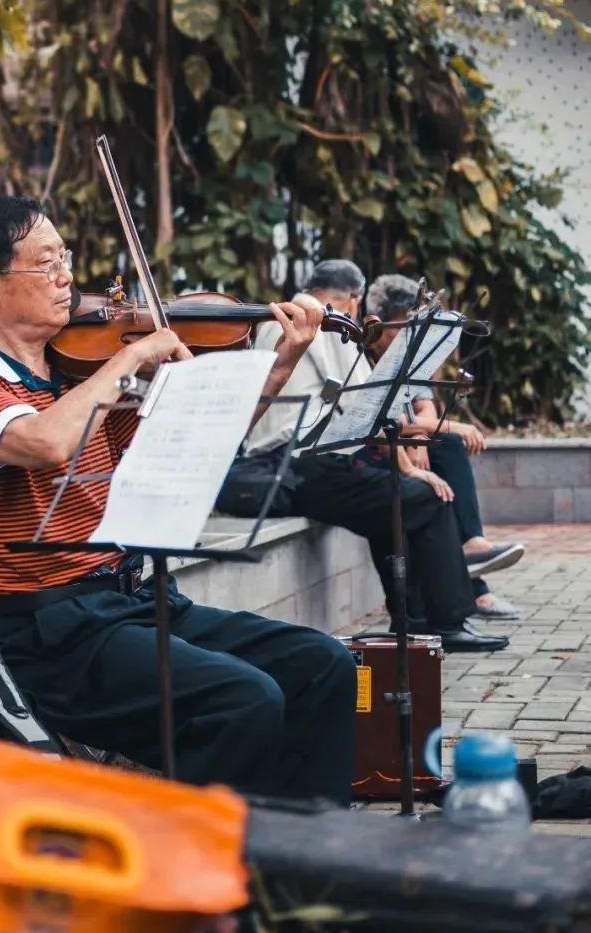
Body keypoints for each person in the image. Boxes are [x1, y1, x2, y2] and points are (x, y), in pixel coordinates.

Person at [0, 196, 359, 804]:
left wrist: (280, 365)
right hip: (51, 635)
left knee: (323, 664)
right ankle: (207, 871)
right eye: (46, 264)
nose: (68, 277)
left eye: (65, 257)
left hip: (134, 603)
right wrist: (129, 358)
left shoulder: (76, 372)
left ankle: (310, 863)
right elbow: (44, 442)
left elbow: (187, 449)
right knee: (243, 700)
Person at [217, 259, 509, 652]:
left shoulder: (284, 316)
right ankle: (447, 622)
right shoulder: (327, 321)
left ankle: (415, 622)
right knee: (423, 498)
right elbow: (367, 410)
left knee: (390, 505)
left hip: (285, 463)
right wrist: (412, 473)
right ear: (353, 299)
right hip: (302, 463)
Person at [365, 273, 523, 620]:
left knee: (446, 449)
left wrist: (422, 438)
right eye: (398, 331)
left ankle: (472, 546)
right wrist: (441, 428)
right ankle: (475, 589)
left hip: (406, 442)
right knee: (439, 462)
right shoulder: (361, 357)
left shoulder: (408, 355)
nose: (403, 340)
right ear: (375, 325)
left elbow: (425, 406)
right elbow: (374, 420)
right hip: (375, 449)